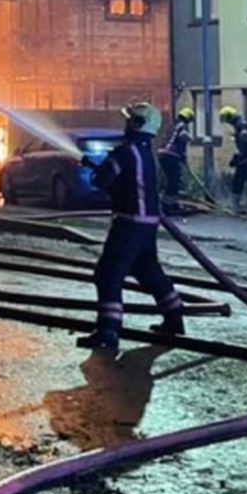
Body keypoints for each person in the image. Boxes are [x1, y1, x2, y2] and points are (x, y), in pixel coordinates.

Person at [78, 101, 184, 352]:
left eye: (130, 120)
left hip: (129, 223)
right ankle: (174, 317)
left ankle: (108, 331)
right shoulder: (146, 151)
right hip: (147, 222)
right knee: (149, 271)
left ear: (137, 124)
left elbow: (102, 181)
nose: (126, 124)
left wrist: (97, 171)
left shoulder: (125, 152)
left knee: (107, 274)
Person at [159, 106, 194, 212]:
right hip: (171, 155)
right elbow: (183, 138)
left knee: (172, 180)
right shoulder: (183, 125)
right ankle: (168, 206)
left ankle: (170, 203)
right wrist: (191, 139)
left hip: (162, 154)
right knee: (174, 180)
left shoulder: (173, 125)